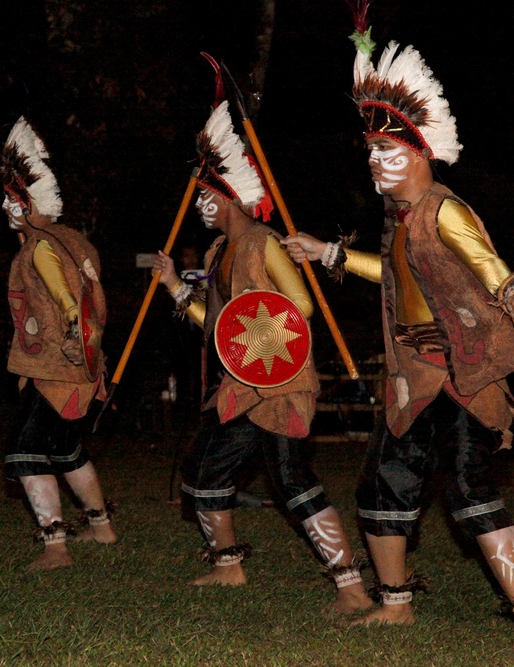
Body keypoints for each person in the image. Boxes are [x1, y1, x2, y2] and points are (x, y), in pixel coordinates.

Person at [282, 21, 514, 651]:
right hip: (414, 377)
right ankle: (396, 603)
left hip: (461, 375)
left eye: (390, 153)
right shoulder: (400, 221)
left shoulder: (444, 210)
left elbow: (493, 270)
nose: (376, 164)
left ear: (423, 152)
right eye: (371, 152)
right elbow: (393, 280)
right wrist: (330, 254)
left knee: (468, 489)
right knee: (382, 484)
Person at [151, 100, 371, 614]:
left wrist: (258, 336)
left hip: (281, 383)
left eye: (206, 197)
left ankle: (352, 586)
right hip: (241, 386)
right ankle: (228, 565)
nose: (199, 206)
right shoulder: (214, 255)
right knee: (203, 468)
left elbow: (303, 306)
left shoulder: (261, 242)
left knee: (291, 478)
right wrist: (172, 288)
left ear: (228, 198)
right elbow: (221, 328)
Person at [0, 117, 116, 569]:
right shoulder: (71, 238)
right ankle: (101, 526)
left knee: (24, 448)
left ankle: (55, 546)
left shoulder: (41, 247)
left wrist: (72, 336)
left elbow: (71, 305)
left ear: (31, 204)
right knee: (63, 447)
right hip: (81, 365)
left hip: (60, 367)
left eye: (12, 200)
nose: (5, 208)